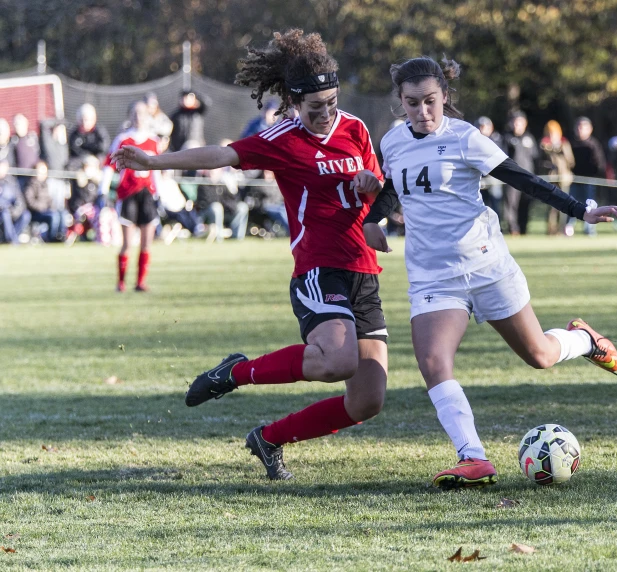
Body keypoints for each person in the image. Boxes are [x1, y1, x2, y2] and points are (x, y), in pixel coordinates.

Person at [112, 29, 388, 481]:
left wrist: (373, 198)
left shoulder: (355, 129)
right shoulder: (282, 137)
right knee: (337, 361)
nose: (325, 114)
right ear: (294, 102)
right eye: (314, 107)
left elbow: (373, 196)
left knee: (367, 401)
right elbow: (221, 154)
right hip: (320, 269)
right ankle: (238, 373)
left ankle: (269, 439)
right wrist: (154, 162)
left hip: (363, 272)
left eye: (332, 103)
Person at [363, 56, 617, 490]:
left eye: (431, 101)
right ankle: (473, 458)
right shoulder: (392, 141)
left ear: (445, 96)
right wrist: (375, 218)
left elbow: (522, 179)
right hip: (433, 276)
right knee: (432, 361)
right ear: (401, 102)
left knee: (539, 355)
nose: (423, 112)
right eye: (412, 104)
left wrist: (584, 211)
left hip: (486, 266)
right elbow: (395, 185)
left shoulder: (465, 138)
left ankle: (584, 340)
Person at [101, 101, 161, 292]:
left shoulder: (153, 140)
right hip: (128, 194)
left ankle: (140, 282)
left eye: (142, 113)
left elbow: (157, 169)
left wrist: (159, 193)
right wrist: (103, 191)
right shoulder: (123, 139)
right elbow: (109, 165)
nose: (139, 116)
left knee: (146, 241)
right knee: (127, 242)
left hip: (147, 194)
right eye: (135, 112)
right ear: (130, 115)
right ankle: (121, 282)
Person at [566, 117, 606, 236]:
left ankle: (589, 229)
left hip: (589, 180)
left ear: (590, 129)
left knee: (590, 206)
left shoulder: (593, 144)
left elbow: (600, 163)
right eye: (578, 127)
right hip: (573, 180)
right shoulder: (570, 143)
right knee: (570, 203)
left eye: (583, 127)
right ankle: (569, 228)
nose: (580, 130)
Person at [503, 111, 539, 235]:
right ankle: (513, 228)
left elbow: (535, 158)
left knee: (526, 204)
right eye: (515, 122)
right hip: (512, 178)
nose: (517, 125)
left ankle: (523, 229)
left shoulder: (529, 139)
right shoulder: (507, 138)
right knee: (511, 204)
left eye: (520, 122)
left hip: (528, 178)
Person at [539, 120, 575, 235]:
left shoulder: (564, 143)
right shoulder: (544, 144)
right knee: (552, 206)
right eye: (549, 133)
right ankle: (551, 230)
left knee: (565, 204)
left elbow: (571, 161)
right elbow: (541, 162)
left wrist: (561, 150)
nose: (552, 135)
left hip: (564, 179)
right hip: (551, 179)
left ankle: (562, 229)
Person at [195, 166, 248, 241]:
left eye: (214, 172)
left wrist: (231, 207)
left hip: (225, 212)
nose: (212, 174)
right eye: (211, 172)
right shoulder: (203, 185)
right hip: (206, 213)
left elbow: (231, 200)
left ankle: (237, 237)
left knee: (242, 207)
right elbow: (207, 201)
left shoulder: (222, 185)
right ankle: (218, 237)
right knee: (217, 207)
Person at [23, 160, 66, 242]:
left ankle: (60, 236)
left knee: (61, 213)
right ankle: (52, 238)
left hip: (46, 210)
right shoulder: (30, 185)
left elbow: (49, 199)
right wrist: (42, 208)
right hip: (36, 213)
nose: (43, 174)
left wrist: (52, 207)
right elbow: (30, 202)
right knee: (54, 216)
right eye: (41, 172)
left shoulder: (45, 184)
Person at [475, 116, 506, 220]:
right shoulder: (473, 141)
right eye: (480, 127)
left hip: (493, 176)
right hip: (479, 176)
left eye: (485, 127)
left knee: (495, 202)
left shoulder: (497, 139)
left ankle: (498, 227)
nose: (482, 129)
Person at [69, 104, 110, 168]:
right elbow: (75, 150)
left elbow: (103, 148)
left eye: (86, 119)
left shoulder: (100, 132)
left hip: (97, 163)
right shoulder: (74, 134)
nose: (84, 123)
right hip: (80, 163)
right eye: (81, 120)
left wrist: (94, 159)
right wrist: (86, 158)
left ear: (94, 119)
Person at [0, 158, 30, 244]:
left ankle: (12, 238)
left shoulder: (11, 181)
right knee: (5, 214)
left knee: (26, 215)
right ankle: (12, 240)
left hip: (12, 211)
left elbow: (19, 198)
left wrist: (16, 210)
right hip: (3, 211)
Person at [11, 114, 41, 191]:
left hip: (34, 177)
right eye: (16, 124)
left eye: (19, 123)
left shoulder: (33, 137)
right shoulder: (13, 141)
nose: (17, 126)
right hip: (20, 178)